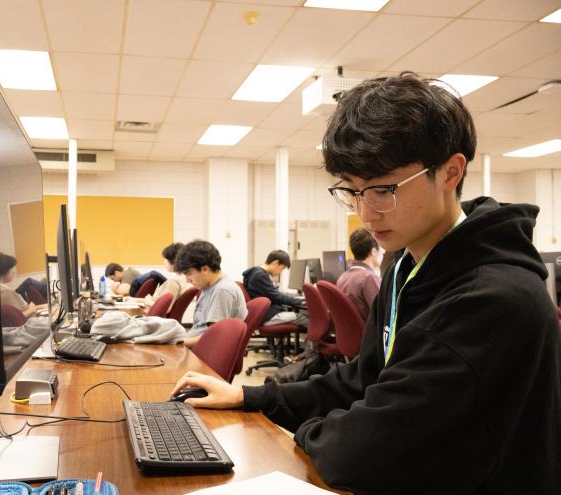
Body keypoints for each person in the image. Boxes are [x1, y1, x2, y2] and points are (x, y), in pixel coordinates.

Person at [172, 74, 561, 493]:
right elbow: (363, 378)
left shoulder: (493, 300)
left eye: (383, 190)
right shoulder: (406, 264)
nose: (365, 213)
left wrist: (318, 430)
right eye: (352, 192)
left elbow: (357, 455)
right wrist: (251, 398)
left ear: (451, 172)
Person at [174, 240, 247, 348]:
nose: (187, 280)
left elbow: (214, 338)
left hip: (200, 357)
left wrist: (175, 343)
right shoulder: (208, 287)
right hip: (193, 348)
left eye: (189, 274)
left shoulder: (222, 291)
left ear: (205, 269)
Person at [242, 250, 308, 326]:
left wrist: (297, 298)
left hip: (262, 312)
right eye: (282, 268)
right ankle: (317, 338)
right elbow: (277, 297)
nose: (280, 272)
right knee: (302, 317)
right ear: (276, 263)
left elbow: (274, 293)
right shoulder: (260, 276)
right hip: (266, 315)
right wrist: (300, 301)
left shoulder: (256, 272)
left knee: (291, 312)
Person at [335, 228, 382, 321]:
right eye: (381, 250)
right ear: (373, 251)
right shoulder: (369, 278)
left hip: (350, 333)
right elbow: (383, 314)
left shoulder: (343, 276)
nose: (382, 254)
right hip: (368, 334)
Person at [128, 242, 190, 311]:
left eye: (165, 259)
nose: (164, 262)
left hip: (152, 317)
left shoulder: (173, 282)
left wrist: (147, 301)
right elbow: (157, 301)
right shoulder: (183, 278)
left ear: (173, 261)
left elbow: (166, 308)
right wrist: (134, 300)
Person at [0, 253, 47, 319]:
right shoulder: (6, 292)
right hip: (31, 322)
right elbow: (18, 317)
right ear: (4, 270)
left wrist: (43, 306)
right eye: (12, 269)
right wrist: (31, 309)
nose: (13, 272)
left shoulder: (3, 289)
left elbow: (22, 310)